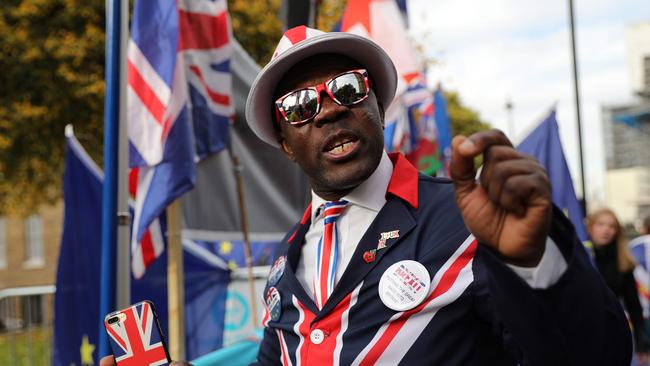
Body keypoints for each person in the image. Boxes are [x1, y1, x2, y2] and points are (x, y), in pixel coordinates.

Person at [102, 25, 631, 366]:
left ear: (376, 105)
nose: (330, 110)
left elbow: (596, 356)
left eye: (349, 89)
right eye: (301, 105)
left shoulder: (470, 219)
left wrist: (537, 263)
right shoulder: (287, 259)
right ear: (286, 145)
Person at [587, 209, 648, 365]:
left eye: (611, 226)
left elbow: (633, 304)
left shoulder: (623, 261)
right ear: (591, 227)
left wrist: (642, 345)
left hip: (611, 333)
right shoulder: (580, 257)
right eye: (601, 224)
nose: (606, 230)